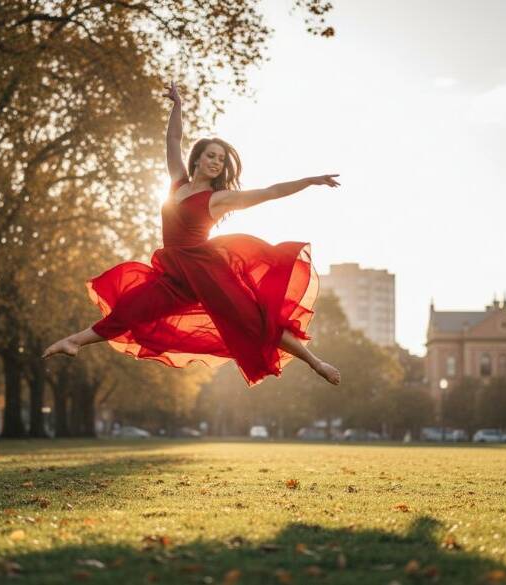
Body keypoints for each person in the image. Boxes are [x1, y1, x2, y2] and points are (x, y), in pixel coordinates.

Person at [43, 81, 341, 387]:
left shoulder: (219, 198)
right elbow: (173, 139)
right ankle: (74, 342)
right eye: (211, 156)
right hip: (174, 275)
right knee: (132, 308)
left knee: (254, 322)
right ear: (197, 158)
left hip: (206, 272)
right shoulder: (176, 183)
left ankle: (315, 363)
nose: (215, 162)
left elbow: (269, 192)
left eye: (221, 160)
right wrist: (177, 106)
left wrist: (309, 180)